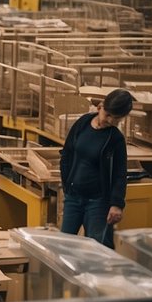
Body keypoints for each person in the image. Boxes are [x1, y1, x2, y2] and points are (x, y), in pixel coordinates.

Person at [60, 89, 133, 246]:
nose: (111, 121)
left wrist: (116, 204)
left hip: (98, 202)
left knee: (96, 248)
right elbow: (67, 153)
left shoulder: (115, 139)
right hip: (73, 196)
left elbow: (120, 174)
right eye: (108, 115)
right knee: (64, 244)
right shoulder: (83, 123)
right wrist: (66, 184)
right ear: (100, 107)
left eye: (116, 118)